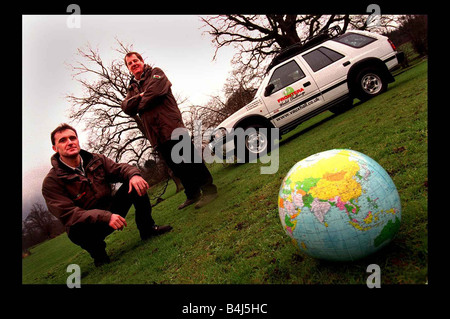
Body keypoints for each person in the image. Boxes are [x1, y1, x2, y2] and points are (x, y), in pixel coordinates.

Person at [42, 123, 172, 267]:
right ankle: (99, 254)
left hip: (112, 210)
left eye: (73, 138)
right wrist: (105, 217)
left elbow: (119, 169)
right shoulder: (51, 182)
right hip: (89, 226)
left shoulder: (96, 160)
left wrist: (133, 175)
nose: (70, 142)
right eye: (63, 140)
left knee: (134, 184)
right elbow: (68, 214)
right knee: (74, 230)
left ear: (78, 141)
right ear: (55, 148)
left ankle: (147, 229)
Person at [121, 52, 218, 210]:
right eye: (130, 63)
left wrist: (138, 101)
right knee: (177, 166)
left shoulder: (156, 73)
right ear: (128, 68)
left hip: (171, 126)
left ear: (142, 61)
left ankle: (209, 191)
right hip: (156, 135)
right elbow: (126, 107)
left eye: (135, 60)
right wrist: (140, 97)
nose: (133, 64)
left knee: (191, 160)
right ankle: (192, 194)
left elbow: (156, 93)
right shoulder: (132, 88)